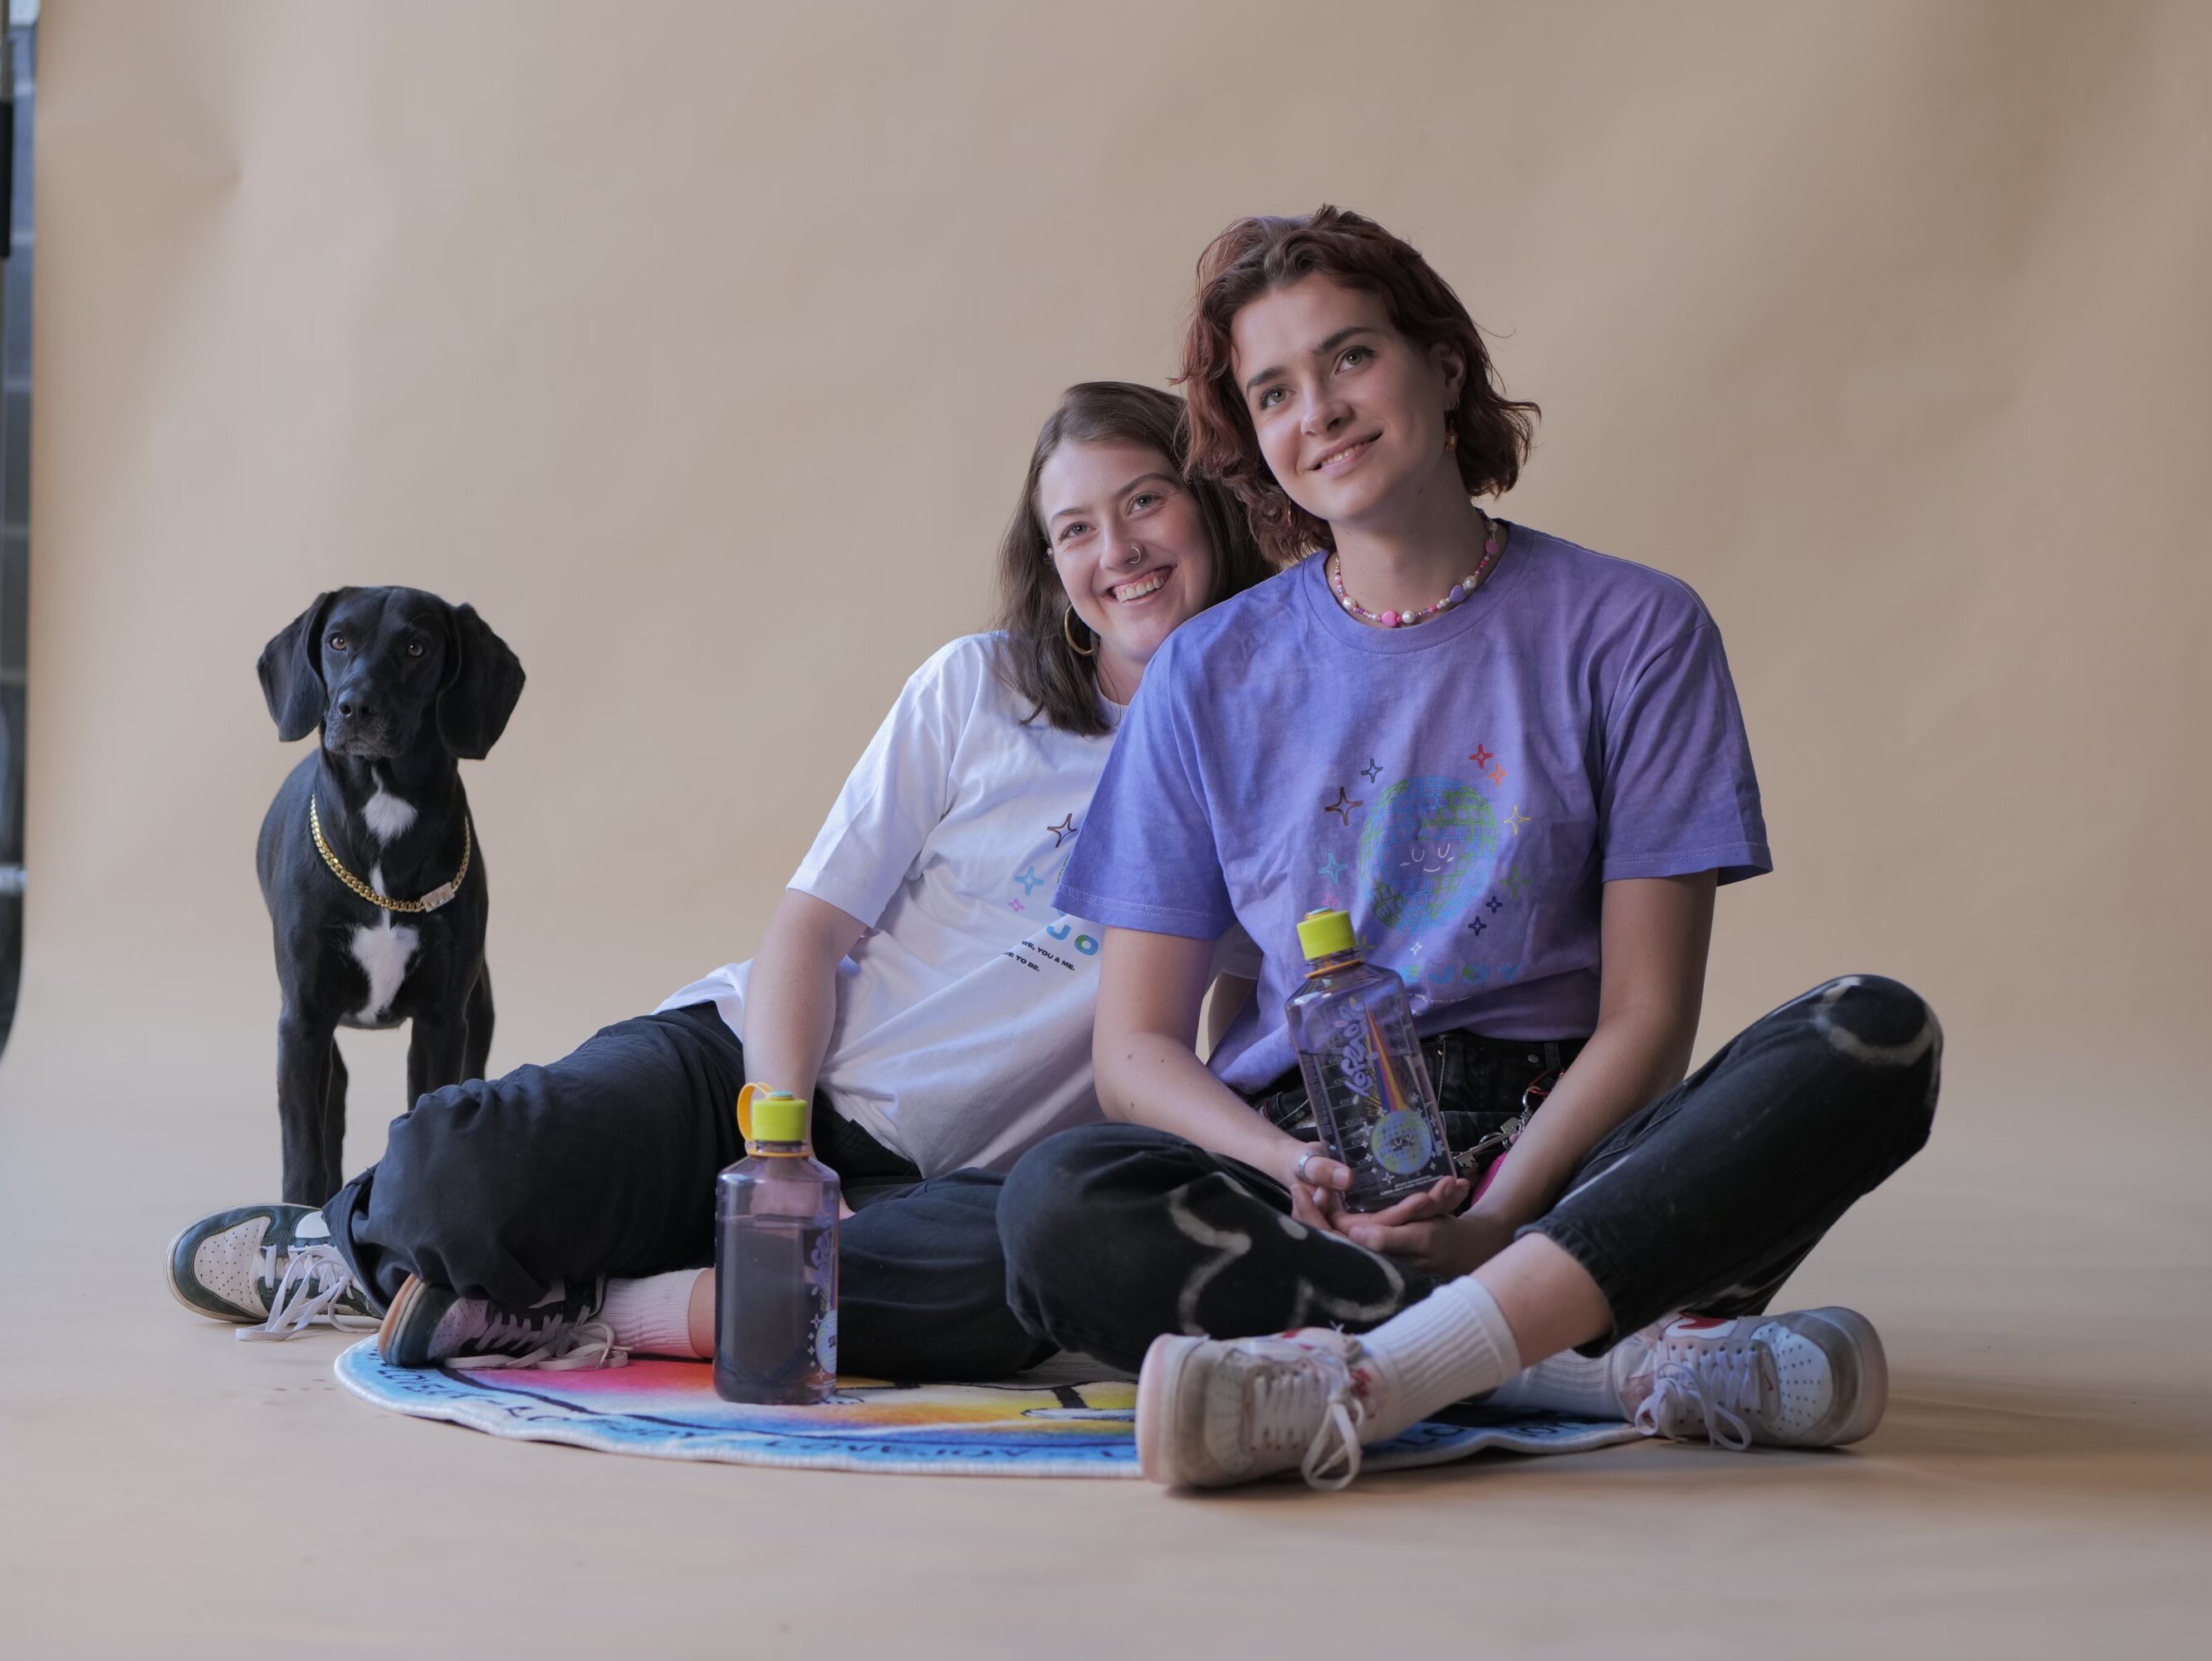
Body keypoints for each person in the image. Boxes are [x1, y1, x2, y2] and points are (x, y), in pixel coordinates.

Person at [996, 209, 1942, 1487]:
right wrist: (1293, 1167)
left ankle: (1377, 1372)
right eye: (1272, 391)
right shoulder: (1207, 674)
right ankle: (1597, 1364)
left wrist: (1503, 1210)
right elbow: (1136, 1050)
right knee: (1054, 1204)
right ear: (1252, 443)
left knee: (1873, 1038)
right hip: (1313, 1178)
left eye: (1349, 358)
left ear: (1443, 367)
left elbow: (1649, 1017)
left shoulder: (1635, 629)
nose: (1317, 412)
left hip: (1579, 1165)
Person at [165, 380, 1269, 1379]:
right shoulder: (977, 688)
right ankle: (351, 1241)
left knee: (1024, 1280)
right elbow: (808, 931)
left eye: (1144, 503)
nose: (1115, 549)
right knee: (461, 1167)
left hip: (940, 1184)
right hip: (748, 1069)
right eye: (1075, 527)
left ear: (1206, 505)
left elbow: (1222, 1031)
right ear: (1048, 559)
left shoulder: (1271, 756)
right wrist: (776, 1148)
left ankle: (593, 1301)